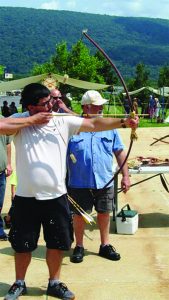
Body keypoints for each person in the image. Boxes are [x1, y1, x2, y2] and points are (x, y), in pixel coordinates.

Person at [1, 83, 138, 300]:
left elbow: (93, 123)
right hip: (26, 198)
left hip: (56, 197)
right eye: (45, 103)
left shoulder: (61, 121)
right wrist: (31, 121)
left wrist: (123, 122)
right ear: (31, 107)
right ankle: (19, 282)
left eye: (52, 101)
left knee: (57, 243)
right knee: (23, 245)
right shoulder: (19, 121)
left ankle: (54, 282)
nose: (52, 106)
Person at [67, 90, 131, 264]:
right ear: (86, 107)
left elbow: (119, 151)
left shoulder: (109, 127)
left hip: (105, 180)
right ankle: (79, 246)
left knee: (104, 213)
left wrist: (126, 175)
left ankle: (105, 245)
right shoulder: (72, 127)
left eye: (101, 105)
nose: (101, 108)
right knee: (79, 215)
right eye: (97, 106)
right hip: (79, 181)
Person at [0, 115, 13, 240]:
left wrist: (8, 163)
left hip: (1, 173)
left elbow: (8, 144)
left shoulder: (3, 121)